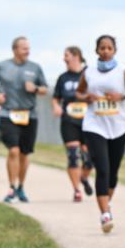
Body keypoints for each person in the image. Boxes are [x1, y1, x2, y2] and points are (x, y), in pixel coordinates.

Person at [77, 35, 125, 232]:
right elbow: (79, 93)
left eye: (109, 48)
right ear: (96, 50)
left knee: (113, 172)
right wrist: (86, 97)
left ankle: (106, 204)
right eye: (102, 48)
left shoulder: (124, 71)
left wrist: (122, 96)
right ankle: (105, 214)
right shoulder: (89, 71)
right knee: (103, 168)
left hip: (119, 126)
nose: (106, 51)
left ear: (115, 50)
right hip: (94, 125)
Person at [0, 36, 48, 203]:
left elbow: (44, 89)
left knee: (24, 153)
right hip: (8, 113)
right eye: (24, 48)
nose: (27, 51)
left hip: (29, 114)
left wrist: (35, 88)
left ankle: (21, 187)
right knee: (13, 150)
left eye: (28, 48)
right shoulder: (2, 66)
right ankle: (11, 187)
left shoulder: (35, 68)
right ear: (15, 49)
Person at [52, 46, 95, 202]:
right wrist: (56, 106)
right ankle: (77, 190)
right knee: (73, 155)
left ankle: (84, 178)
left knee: (90, 158)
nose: (64, 58)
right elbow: (56, 97)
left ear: (76, 56)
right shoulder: (63, 78)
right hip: (69, 120)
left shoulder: (89, 73)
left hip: (88, 121)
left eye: (67, 55)